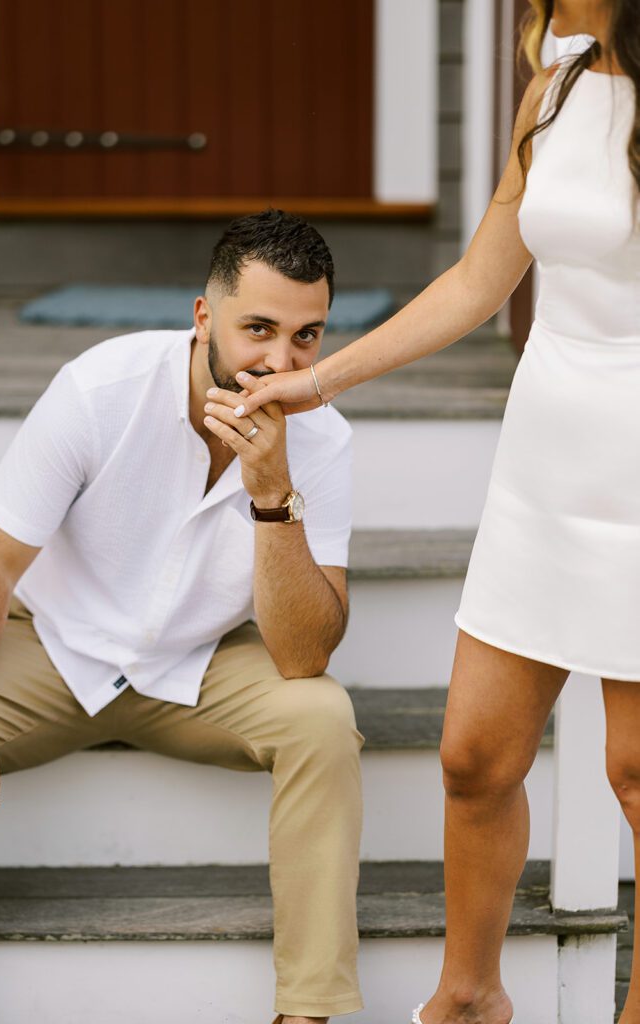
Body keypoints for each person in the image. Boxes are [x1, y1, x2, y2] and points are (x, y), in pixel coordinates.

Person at [226, 3, 640, 1022]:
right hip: (545, 454)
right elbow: (478, 280)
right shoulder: (555, 81)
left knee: (635, 770)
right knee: (473, 754)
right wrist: (316, 383)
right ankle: (469, 998)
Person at [0, 210, 364, 1024]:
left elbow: (302, 656)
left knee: (322, 719)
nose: (280, 362)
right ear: (203, 317)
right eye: (258, 328)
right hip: (55, 648)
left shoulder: (322, 441)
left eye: (307, 337)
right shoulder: (99, 389)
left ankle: (307, 1012)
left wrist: (271, 497)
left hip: (197, 670)